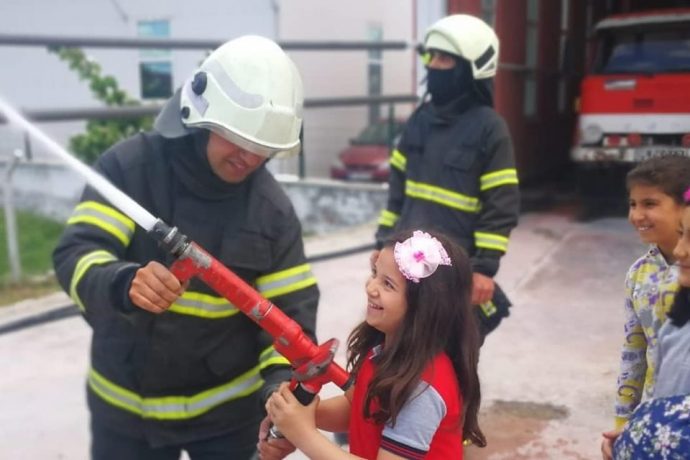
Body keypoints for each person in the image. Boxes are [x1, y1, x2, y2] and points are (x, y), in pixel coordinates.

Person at [52, 35, 317, 460]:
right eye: (237, 137)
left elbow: (289, 316)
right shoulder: (131, 169)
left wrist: (279, 392)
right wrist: (124, 283)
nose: (249, 156)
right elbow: (76, 254)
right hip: (125, 413)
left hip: (228, 421)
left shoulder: (272, 212)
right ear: (202, 118)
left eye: (263, 147)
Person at [263, 229, 485, 459]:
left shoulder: (423, 387)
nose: (370, 287)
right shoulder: (384, 351)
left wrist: (303, 434)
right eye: (375, 273)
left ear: (424, 308)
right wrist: (299, 415)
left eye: (387, 284)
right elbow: (363, 411)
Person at [375, 14, 520, 340]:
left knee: (451, 369)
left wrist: (484, 268)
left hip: (455, 274)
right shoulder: (419, 121)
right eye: (433, 56)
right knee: (400, 357)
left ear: (471, 68)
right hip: (407, 266)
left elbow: (502, 205)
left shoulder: (490, 128)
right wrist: (384, 241)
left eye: (445, 58)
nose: (434, 66)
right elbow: (397, 193)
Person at [600, 155, 690, 458]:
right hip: (656, 417)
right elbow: (634, 353)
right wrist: (625, 421)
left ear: (685, 207)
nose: (637, 215)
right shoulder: (639, 274)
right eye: (633, 204)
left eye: (650, 204)